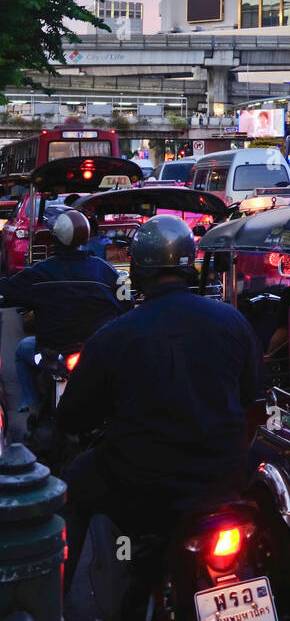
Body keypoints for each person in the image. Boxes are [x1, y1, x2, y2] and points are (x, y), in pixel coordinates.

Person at [57, 215, 261, 594]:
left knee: (71, 487)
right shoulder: (232, 322)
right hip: (225, 480)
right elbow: (253, 398)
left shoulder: (113, 336)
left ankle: (53, 615)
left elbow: (71, 417)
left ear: (137, 271)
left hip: (142, 489)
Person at [0, 210, 123, 413]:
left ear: (55, 237)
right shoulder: (105, 270)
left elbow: (8, 289)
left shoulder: (40, 273)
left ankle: (29, 403)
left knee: (22, 350)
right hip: (95, 353)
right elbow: (125, 305)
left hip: (50, 355)